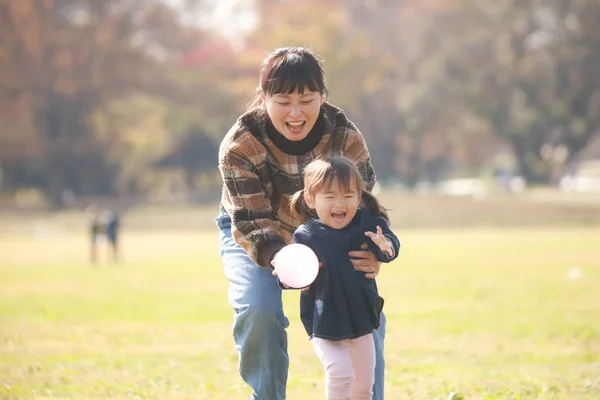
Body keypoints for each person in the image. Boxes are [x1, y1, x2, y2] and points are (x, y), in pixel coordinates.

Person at [216, 46, 387, 400]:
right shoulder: (239, 145)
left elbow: (365, 204)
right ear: (263, 99)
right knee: (257, 309)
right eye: (283, 101)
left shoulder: (344, 137)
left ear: (322, 97)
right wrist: (286, 258)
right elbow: (250, 219)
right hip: (254, 229)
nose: (295, 113)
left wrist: (372, 250)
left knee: (366, 316)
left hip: (332, 231)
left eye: (306, 99)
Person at [281, 155, 400, 400]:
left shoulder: (365, 222)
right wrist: (288, 273)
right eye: (330, 196)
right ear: (311, 199)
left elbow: (389, 246)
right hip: (325, 319)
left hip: (361, 317)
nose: (340, 203)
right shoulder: (306, 235)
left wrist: (384, 245)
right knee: (340, 371)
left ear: (359, 197)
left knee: (363, 385)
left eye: (348, 196)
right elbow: (291, 274)